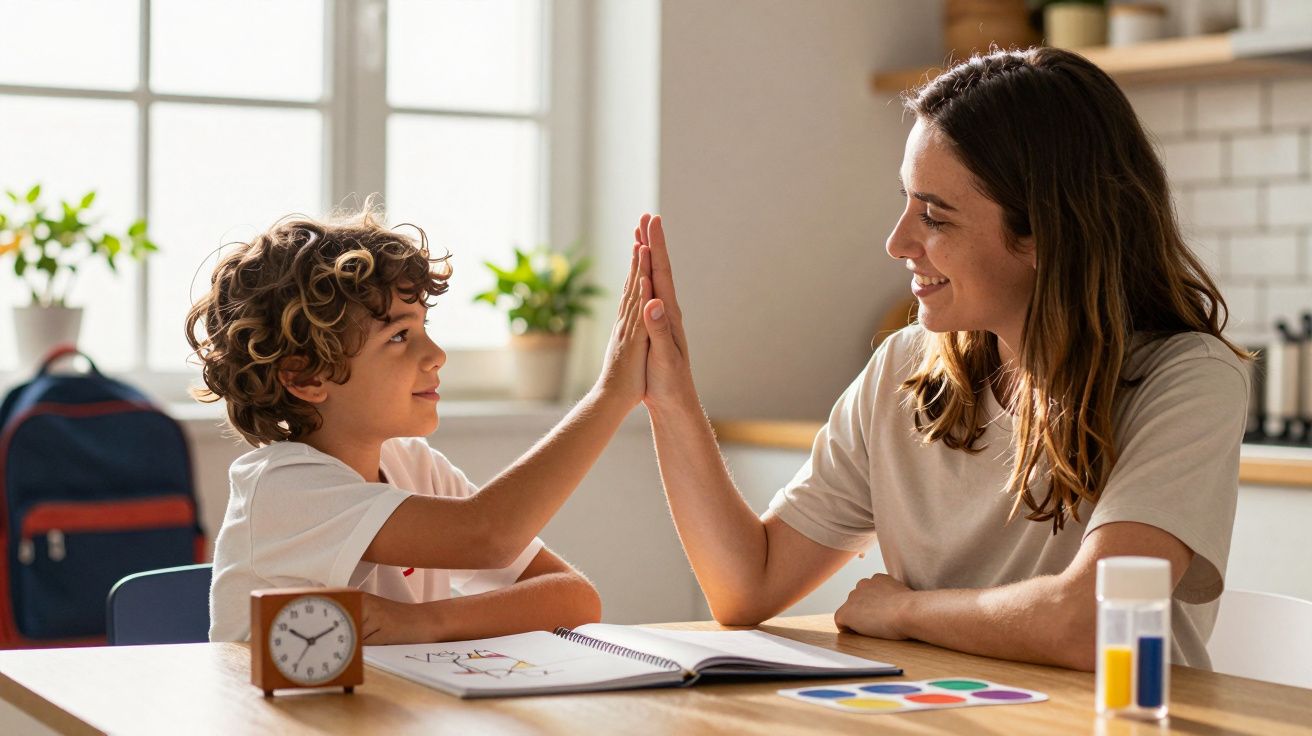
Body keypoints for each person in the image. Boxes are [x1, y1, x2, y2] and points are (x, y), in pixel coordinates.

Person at [634, 46, 1249, 671]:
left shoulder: (1187, 380)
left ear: (1043, 232)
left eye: (934, 216)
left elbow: (1096, 623)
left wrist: (903, 612)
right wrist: (671, 397)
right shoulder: (903, 371)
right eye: (905, 201)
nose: (897, 241)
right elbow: (747, 585)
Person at [190, 206, 652, 644]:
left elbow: (573, 598)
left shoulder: (416, 469)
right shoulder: (280, 486)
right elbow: (487, 536)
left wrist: (423, 622)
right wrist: (611, 396)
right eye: (399, 336)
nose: (436, 355)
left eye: (424, 328)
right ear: (307, 376)